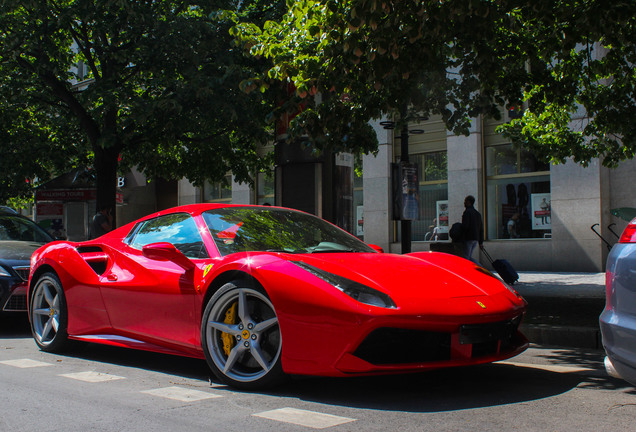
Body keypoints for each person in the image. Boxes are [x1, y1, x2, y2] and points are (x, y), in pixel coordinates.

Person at [461, 195, 483, 264]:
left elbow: (465, 226)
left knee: (466, 257)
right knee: (468, 257)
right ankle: (479, 267)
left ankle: (479, 268)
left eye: (465, 201)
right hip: (475, 239)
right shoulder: (478, 214)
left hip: (468, 238)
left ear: (469, 202)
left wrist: (461, 236)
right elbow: (481, 228)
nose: (464, 203)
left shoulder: (467, 212)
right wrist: (480, 242)